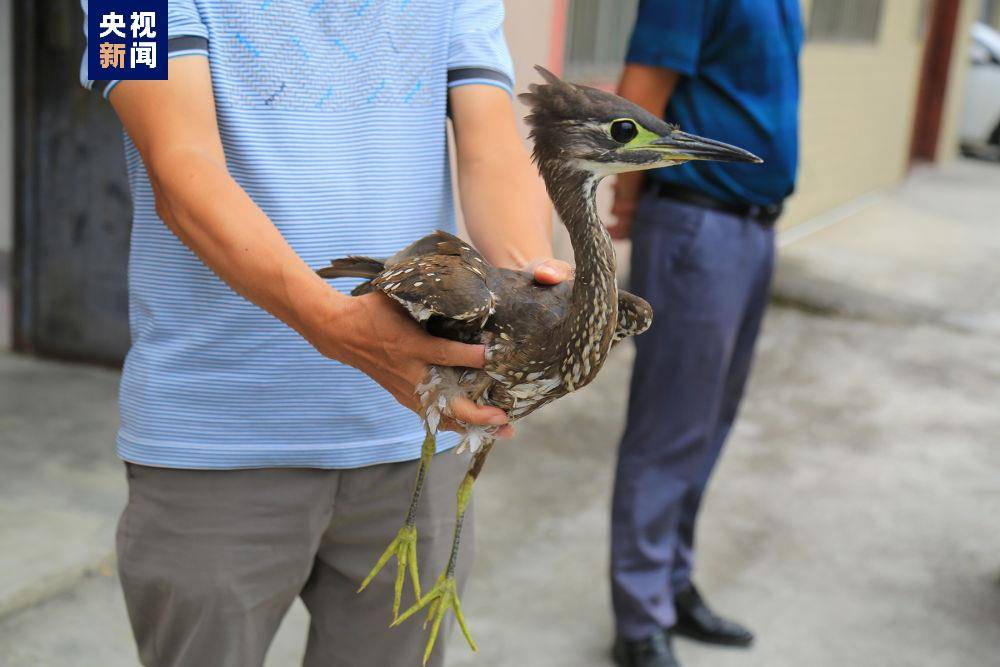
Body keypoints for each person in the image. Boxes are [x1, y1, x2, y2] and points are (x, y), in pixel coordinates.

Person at [79, 2, 570, 666]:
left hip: (412, 438)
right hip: (212, 444)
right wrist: (336, 323)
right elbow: (179, 170)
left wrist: (528, 286)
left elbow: (492, 145)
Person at [607, 2, 803, 666]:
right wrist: (630, 201)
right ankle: (639, 618)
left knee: (709, 419)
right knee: (670, 425)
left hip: (752, 226)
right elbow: (638, 96)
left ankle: (669, 581)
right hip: (698, 222)